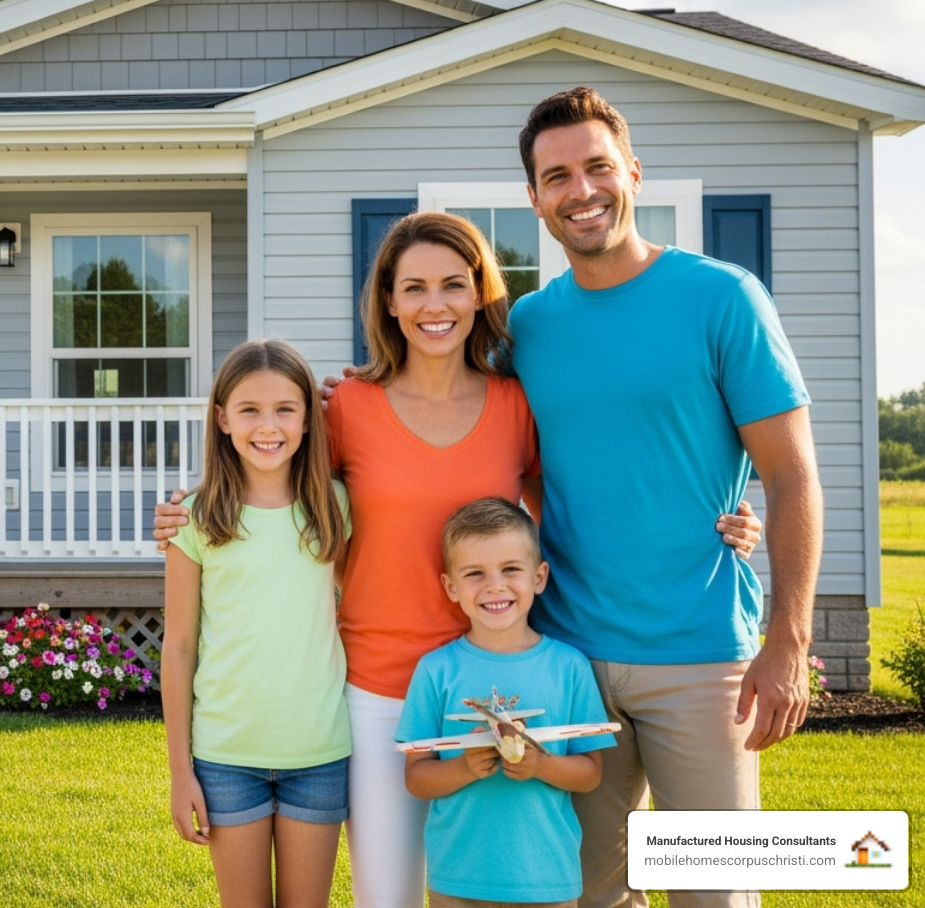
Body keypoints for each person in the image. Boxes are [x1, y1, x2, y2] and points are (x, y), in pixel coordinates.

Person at [153, 212, 764, 908]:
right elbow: (274, 486)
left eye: (453, 284)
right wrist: (188, 511)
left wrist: (723, 520)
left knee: (503, 887)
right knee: (387, 898)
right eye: (412, 288)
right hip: (375, 689)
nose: (433, 304)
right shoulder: (347, 406)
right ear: (388, 301)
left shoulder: (515, 402)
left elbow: (576, 498)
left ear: (480, 293)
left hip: (493, 685)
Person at [508, 86, 822, 908]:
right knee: (585, 895)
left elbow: (791, 476)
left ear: (634, 174)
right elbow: (513, 457)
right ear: (534, 198)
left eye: (598, 168)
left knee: (712, 893)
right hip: (570, 656)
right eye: (558, 176)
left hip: (701, 654)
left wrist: (786, 640)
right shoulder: (530, 328)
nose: (582, 191)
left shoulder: (722, 297)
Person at [162, 338, 353, 908]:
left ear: (308, 419)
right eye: (249, 410)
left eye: (285, 409)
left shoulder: (336, 507)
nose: (267, 426)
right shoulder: (193, 520)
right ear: (221, 419)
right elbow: (177, 648)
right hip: (225, 758)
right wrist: (179, 772)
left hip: (318, 752)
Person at [399, 497, 615, 908]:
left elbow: (590, 774)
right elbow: (416, 777)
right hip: (458, 877)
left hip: (546, 877)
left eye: (511, 570)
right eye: (475, 574)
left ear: (539, 576)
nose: (495, 586)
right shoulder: (436, 670)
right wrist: (464, 766)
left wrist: (541, 765)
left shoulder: (569, 667)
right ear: (451, 587)